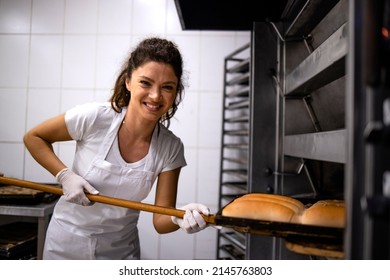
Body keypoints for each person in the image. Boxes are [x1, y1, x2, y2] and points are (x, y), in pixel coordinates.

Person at [23, 37, 210, 260]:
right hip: (66, 245)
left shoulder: (171, 148)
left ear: (175, 91)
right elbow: (33, 137)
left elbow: (160, 221)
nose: (155, 96)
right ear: (128, 81)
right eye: (145, 83)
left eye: (167, 87)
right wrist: (64, 175)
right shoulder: (95, 118)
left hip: (120, 252)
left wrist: (179, 218)